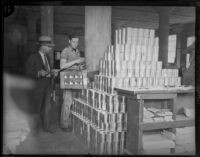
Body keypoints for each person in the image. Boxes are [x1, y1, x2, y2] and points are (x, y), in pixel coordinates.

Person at [25, 36, 58, 133]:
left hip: (47, 86)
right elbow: (27, 72)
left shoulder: (47, 57)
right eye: (49, 47)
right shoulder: (33, 57)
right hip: (37, 88)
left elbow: (48, 72)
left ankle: (46, 127)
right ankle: (34, 129)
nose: (50, 49)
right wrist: (38, 73)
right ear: (43, 46)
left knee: (47, 108)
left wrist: (52, 73)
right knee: (36, 108)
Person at [60, 34, 85, 132]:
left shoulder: (77, 51)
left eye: (77, 42)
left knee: (74, 102)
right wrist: (75, 62)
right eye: (74, 41)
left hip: (76, 78)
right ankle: (64, 125)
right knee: (67, 102)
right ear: (69, 41)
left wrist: (80, 66)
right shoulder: (65, 51)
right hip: (67, 78)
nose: (76, 44)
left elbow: (76, 65)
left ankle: (70, 122)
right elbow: (62, 66)